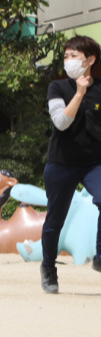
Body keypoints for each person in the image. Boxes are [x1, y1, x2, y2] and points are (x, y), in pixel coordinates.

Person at [41, 35, 101, 293]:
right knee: (55, 220)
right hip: (61, 163)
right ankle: (48, 269)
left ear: (90, 60)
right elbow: (61, 122)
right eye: (66, 56)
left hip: (93, 163)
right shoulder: (57, 88)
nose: (68, 61)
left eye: (73, 56)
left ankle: (100, 257)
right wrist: (79, 93)